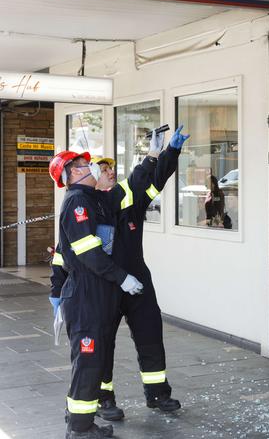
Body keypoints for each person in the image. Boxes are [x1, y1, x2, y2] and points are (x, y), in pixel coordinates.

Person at [49, 151, 144, 439]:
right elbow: (88, 252)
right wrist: (122, 277)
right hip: (86, 296)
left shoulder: (92, 199)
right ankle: (79, 429)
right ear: (73, 173)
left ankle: (81, 420)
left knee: (93, 361)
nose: (91, 167)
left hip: (97, 295)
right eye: (83, 164)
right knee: (89, 363)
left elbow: (121, 193)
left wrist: (151, 159)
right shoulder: (78, 201)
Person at [97, 126, 189, 418]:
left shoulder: (130, 203)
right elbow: (137, 182)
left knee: (150, 334)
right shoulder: (88, 205)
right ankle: (103, 398)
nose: (111, 172)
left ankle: (158, 393)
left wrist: (170, 152)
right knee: (103, 344)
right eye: (104, 170)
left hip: (138, 282)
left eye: (111, 168)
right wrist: (58, 289)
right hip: (106, 285)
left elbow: (154, 181)